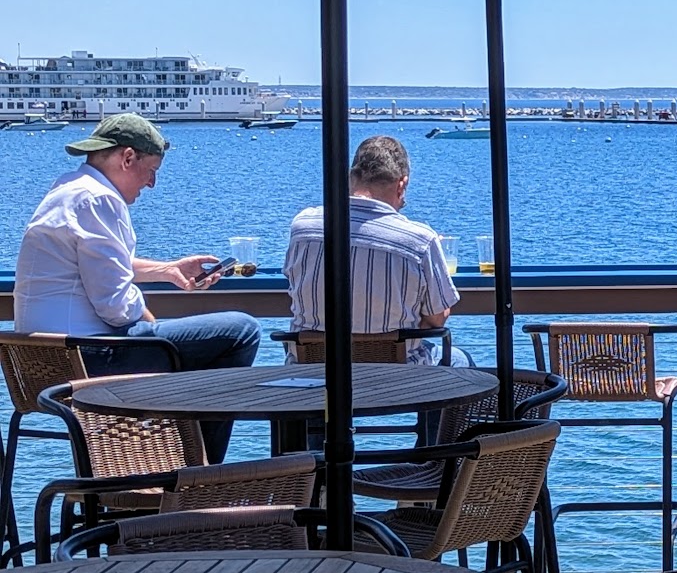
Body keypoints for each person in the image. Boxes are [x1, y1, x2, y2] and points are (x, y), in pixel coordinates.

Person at [12, 113, 259, 461]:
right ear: (128, 158)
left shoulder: (67, 190)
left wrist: (168, 270)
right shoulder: (99, 199)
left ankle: (164, 461)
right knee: (241, 332)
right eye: (151, 170)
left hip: (40, 364)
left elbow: (97, 264)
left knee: (192, 350)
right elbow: (115, 307)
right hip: (88, 359)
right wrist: (150, 321)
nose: (152, 183)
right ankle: (198, 472)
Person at [284, 135, 464, 364]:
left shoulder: (302, 227)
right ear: (402, 185)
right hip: (396, 377)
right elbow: (437, 319)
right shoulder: (420, 240)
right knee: (459, 359)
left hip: (312, 371)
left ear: (351, 178)